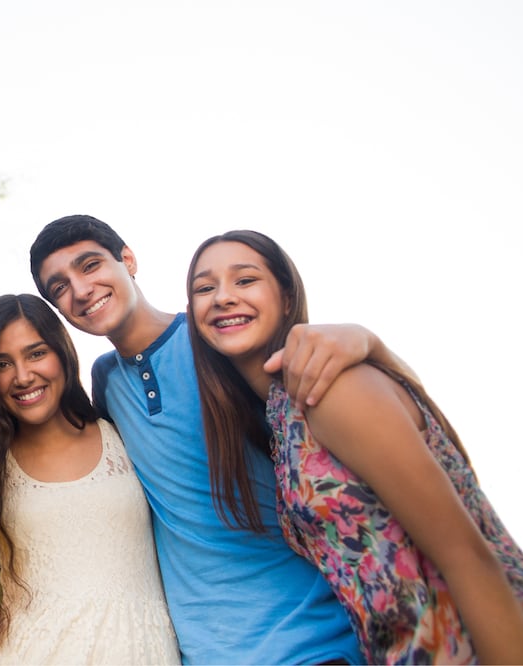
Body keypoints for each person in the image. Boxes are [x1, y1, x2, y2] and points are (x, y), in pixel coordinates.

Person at [28, 214, 394, 664]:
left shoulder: (222, 339)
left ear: (128, 259)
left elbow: (353, 410)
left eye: (89, 266)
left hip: (309, 642)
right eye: (59, 287)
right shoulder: (105, 379)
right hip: (202, 652)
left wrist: (368, 342)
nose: (80, 290)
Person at [185, 229, 523, 664]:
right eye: (205, 288)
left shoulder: (332, 390)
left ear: (285, 295)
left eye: (245, 280)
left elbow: (468, 557)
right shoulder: (279, 417)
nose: (222, 297)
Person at [0, 293, 179, 664]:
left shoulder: (120, 430)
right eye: (2, 363)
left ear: (62, 352)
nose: (23, 375)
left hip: (144, 650)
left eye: (36, 353)